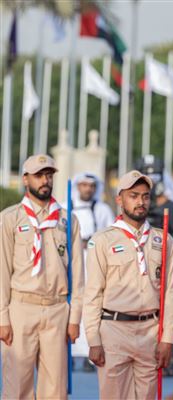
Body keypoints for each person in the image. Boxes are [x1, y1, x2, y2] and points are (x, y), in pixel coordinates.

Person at [83, 170, 173, 399]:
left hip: (150, 331)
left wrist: (167, 339)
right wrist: (93, 340)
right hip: (114, 331)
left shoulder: (163, 240)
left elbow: (172, 294)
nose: (140, 202)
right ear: (120, 199)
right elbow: (93, 294)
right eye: (133, 195)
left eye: (145, 196)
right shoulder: (103, 240)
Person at [0, 154, 84, 399]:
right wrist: (2, 317)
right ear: (26, 180)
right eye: (39, 176)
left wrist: (75, 317)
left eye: (49, 175)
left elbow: (77, 274)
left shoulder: (67, 220)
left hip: (57, 309)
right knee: (17, 385)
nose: (45, 180)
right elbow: (2, 271)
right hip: (21, 308)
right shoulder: (10, 218)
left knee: (55, 389)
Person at [137, 155, 173, 374]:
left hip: (169, 265)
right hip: (145, 266)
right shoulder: (139, 208)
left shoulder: (169, 206)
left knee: (172, 308)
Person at [68, 173, 115, 370]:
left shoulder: (102, 209)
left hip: (95, 263)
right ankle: (70, 352)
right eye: (84, 185)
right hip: (73, 264)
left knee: (93, 305)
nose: (88, 189)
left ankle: (90, 351)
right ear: (78, 187)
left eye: (91, 186)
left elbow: (112, 234)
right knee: (72, 306)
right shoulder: (66, 207)